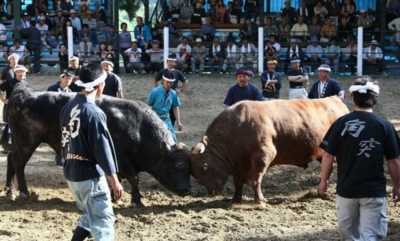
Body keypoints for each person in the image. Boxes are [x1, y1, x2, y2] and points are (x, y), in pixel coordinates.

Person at [318, 77, 400, 241]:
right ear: (375, 99)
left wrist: (324, 180)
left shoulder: (341, 123)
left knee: (349, 236)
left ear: (353, 98)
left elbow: (328, 155)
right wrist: (398, 185)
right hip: (374, 191)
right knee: (370, 236)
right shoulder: (385, 125)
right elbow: (394, 160)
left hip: (346, 190)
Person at [60, 63, 123, 241]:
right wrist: (115, 180)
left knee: (89, 217)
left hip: (71, 171)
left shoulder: (68, 106)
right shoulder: (93, 112)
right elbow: (102, 148)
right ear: (100, 85)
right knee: (103, 222)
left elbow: (64, 139)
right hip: (89, 175)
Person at [147, 71, 183, 143]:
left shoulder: (173, 94)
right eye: (168, 82)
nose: (169, 84)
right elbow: (148, 105)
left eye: (171, 82)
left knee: (173, 138)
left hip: (166, 118)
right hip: (154, 118)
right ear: (163, 81)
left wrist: (179, 122)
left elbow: (175, 107)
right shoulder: (155, 92)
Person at [152, 57, 188, 127]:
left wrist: (181, 89)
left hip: (172, 94)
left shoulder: (177, 72)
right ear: (167, 62)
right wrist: (157, 89)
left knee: (173, 110)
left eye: (172, 62)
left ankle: (171, 125)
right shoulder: (162, 71)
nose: (171, 63)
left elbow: (185, 80)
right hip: (163, 93)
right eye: (169, 61)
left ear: (174, 63)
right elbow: (155, 80)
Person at [0, 65, 29, 151]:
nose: (21, 73)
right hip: (9, 107)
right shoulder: (9, 82)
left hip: (21, 108)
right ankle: (5, 146)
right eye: (19, 71)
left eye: (23, 72)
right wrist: (3, 99)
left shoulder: (26, 83)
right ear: (15, 72)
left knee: (18, 126)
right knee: (7, 126)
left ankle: (16, 145)